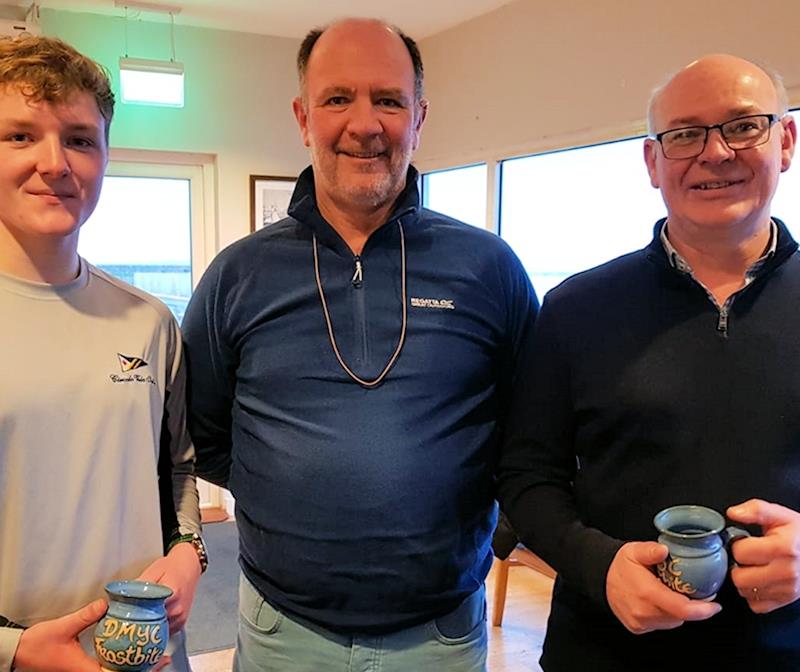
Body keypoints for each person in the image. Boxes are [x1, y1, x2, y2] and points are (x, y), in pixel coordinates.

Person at [182, 17, 538, 672]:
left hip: (442, 634)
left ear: (420, 116)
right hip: (282, 630)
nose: (365, 123)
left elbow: (531, 435)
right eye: (338, 98)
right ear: (303, 117)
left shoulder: (489, 268)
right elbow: (202, 433)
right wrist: (288, 486)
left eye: (389, 100)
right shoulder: (238, 275)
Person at [498, 53, 800, 670]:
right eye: (685, 134)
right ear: (652, 162)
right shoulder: (576, 308)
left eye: (744, 126)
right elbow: (525, 476)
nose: (715, 153)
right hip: (603, 651)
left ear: (786, 140)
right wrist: (598, 565)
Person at [0, 36, 206, 672]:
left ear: (106, 155)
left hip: (145, 656)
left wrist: (190, 553)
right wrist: (13, 649)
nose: (55, 163)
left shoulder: (148, 322)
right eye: (19, 136)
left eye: (81, 139)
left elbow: (177, 471)